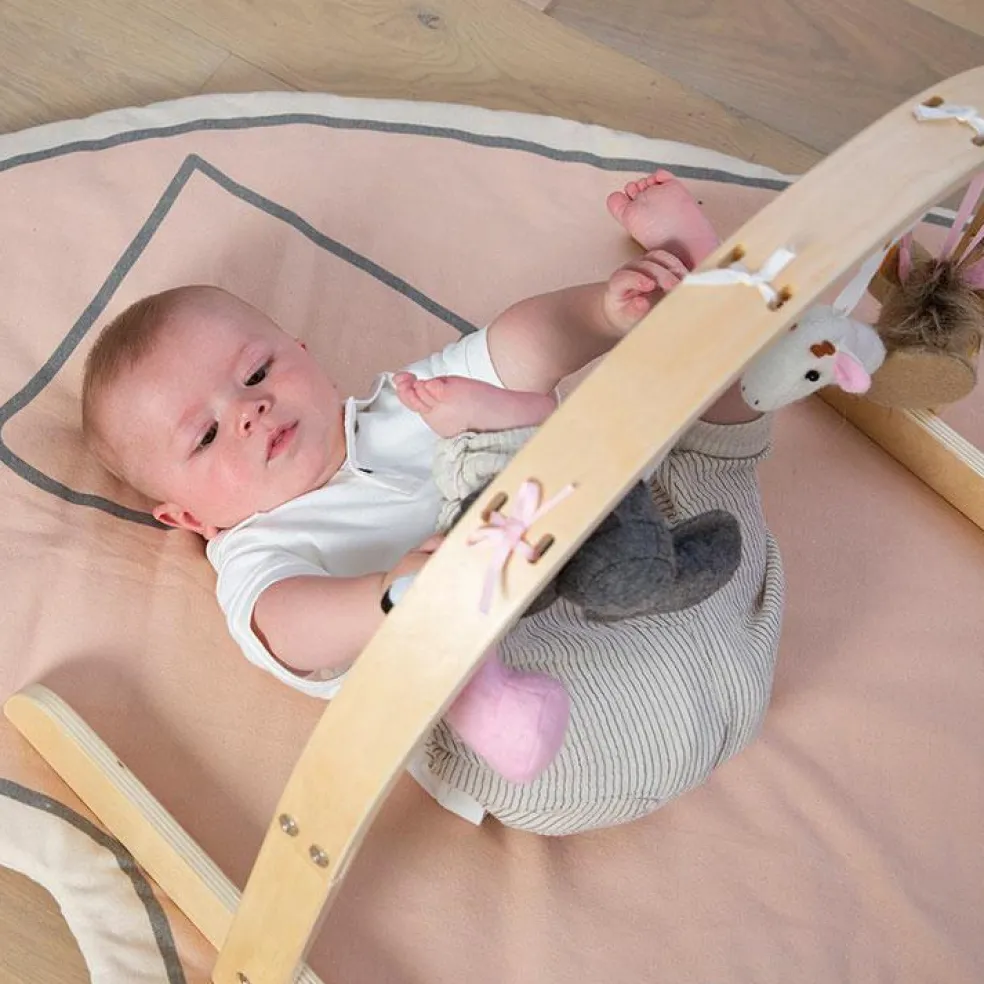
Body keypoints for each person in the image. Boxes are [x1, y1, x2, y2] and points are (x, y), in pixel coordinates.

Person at [82, 170, 781, 834]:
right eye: (204, 435)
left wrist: (602, 310)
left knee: (687, 441)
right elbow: (288, 627)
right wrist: (392, 596)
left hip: (708, 593)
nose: (250, 410)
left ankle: (695, 285)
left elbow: (521, 343)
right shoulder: (260, 550)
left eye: (257, 371)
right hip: (573, 731)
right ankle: (702, 279)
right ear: (187, 519)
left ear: (302, 350)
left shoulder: (405, 404)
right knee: (471, 685)